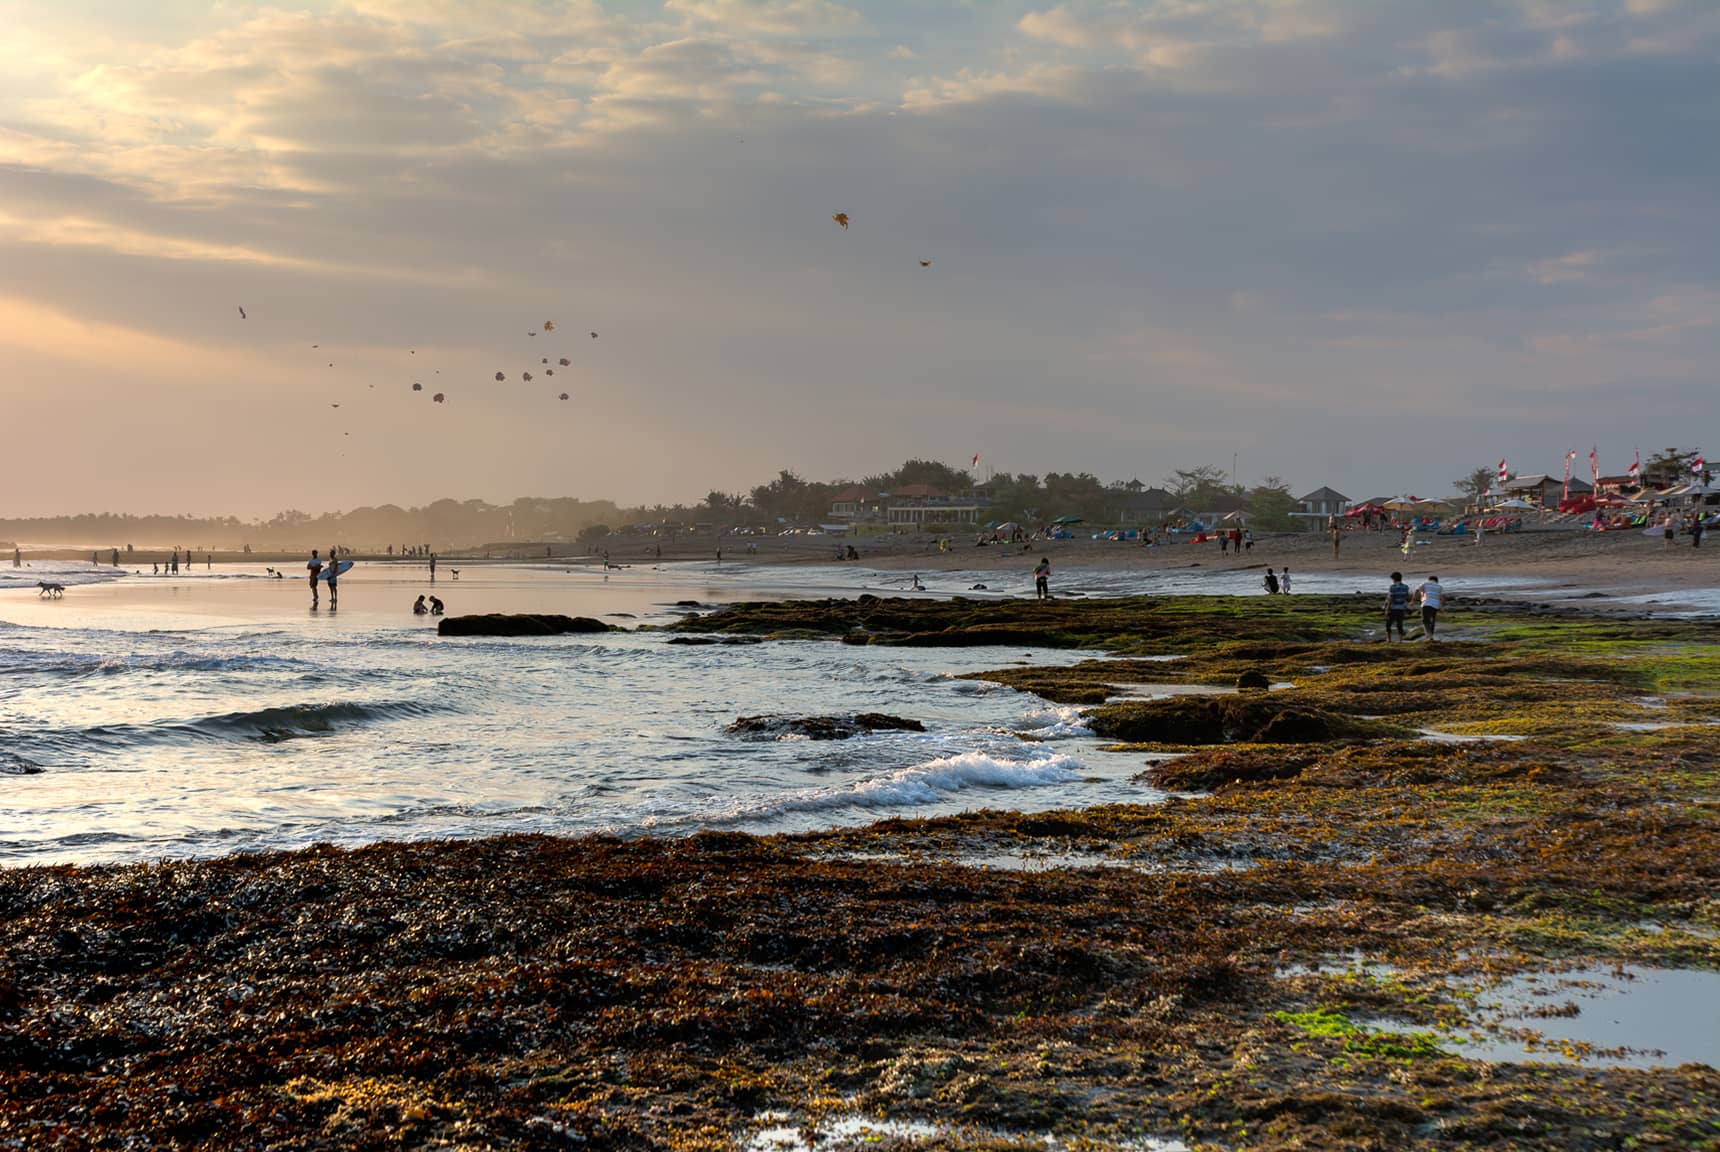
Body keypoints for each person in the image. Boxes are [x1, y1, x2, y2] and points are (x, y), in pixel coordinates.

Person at [1385, 571, 1411, 641]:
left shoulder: (1392, 587)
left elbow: (1391, 598)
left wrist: (1387, 608)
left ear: (1394, 579)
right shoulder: (1406, 587)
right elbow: (1406, 597)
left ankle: (1389, 639)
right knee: (1400, 624)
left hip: (1393, 607)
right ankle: (1400, 640)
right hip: (1401, 608)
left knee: (1388, 624)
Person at [1418, 574, 1443, 639]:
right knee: (1432, 620)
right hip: (1435, 605)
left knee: (1425, 620)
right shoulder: (1439, 586)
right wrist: (1441, 607)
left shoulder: (1425, 584)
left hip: (1426, 603)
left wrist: (1412, 601)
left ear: (1429, 579)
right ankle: (1431, 635)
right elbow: (1441, 598)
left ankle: (1429, 635)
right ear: (1437, 581)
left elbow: (1417, 590)